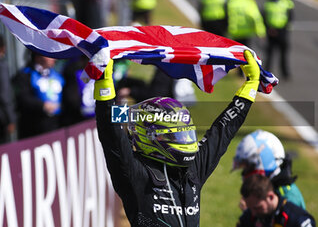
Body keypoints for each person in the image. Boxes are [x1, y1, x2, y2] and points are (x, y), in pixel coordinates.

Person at [94, 50, 261, 226]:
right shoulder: (136, 175)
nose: (185, 138)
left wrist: (249, 88)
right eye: (176, 132)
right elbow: (112, 134)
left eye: (185, 131)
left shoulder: (192, 170)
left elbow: (221, 132)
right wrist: (105, 87)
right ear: (153, 137)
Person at [232, 129, 306, 210]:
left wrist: (251, 210)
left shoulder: (289, 198)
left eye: (248, 168)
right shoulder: (264, 189)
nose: (244, 175)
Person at [13, 51, 64, 139]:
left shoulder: (56, 75)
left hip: (55, 125)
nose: (54, 59)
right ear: (38, 57)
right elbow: (22, 98)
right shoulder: (25, 75)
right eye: (50, 56)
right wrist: (43, 106)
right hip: (34, 128)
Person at [237, 174, 315, 227]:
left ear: (270, 197)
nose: (253, 213)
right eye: (250, 208)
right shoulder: (250, 215)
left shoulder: (298, 218)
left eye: (257, 208)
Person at [263, 0, 295, 80]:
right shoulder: (269, 2)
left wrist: (284, 30)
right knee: (269, 53)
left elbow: (290, 18)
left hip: (282, 31)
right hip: (271, 30)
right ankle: (266, 73)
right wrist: (268, 28)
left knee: (283, 54)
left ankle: (285, 74)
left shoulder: (288, 3)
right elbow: (264, 16)